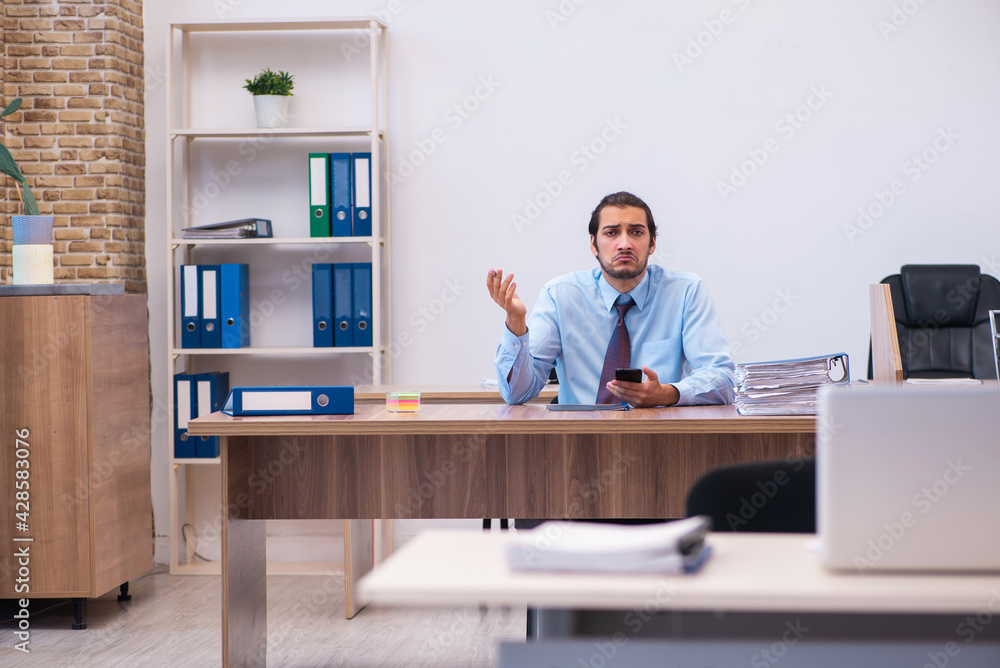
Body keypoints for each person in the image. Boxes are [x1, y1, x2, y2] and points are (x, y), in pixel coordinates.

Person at [487, 191, 735, 407]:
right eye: (611, 233)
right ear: (594, 244)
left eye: (636, 232)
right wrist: (516, 322)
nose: (624, 244)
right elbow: (517, 394)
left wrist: (667, 394)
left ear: (652, 244)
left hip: (659, 438)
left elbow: (723, 379)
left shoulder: (686, 292)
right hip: (577, 443)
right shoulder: (560, 295)